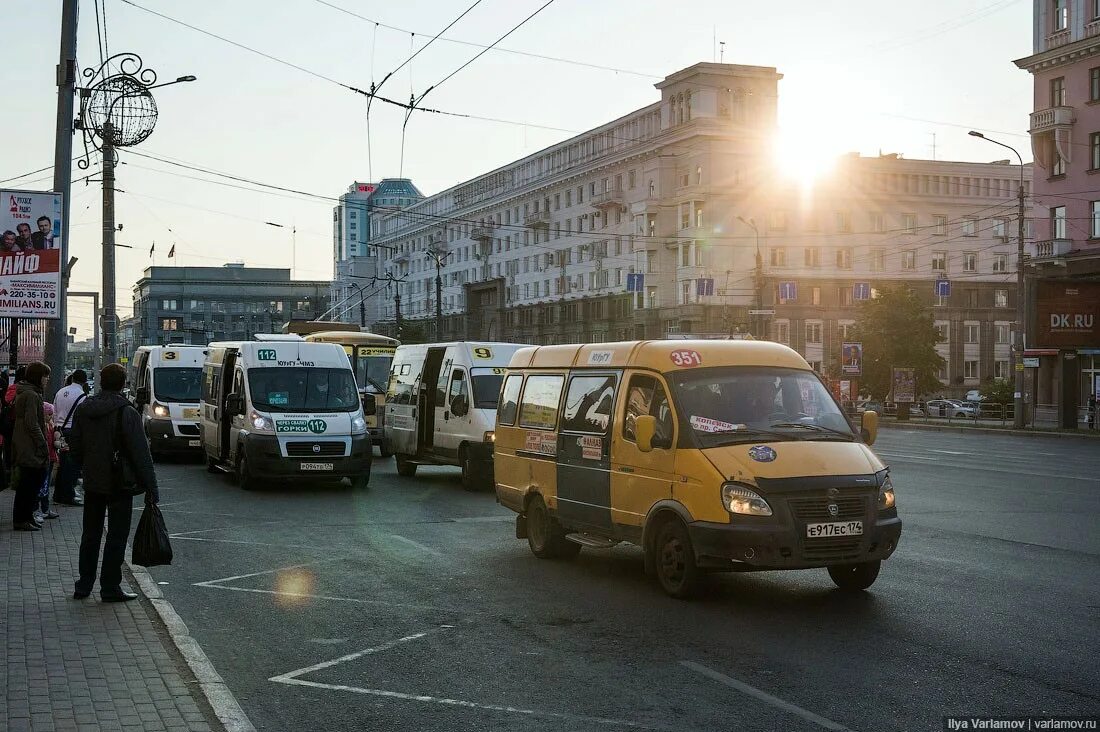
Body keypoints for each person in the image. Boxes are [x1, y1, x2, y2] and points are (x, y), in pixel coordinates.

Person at [70, 363, 159, 602]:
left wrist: (82, 469)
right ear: (122, 384)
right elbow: (141, 454)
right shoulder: (126, 412)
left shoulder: (84, 408)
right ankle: (110, 587)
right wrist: (152, 488)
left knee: (90, 534)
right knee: (117, 537)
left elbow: (75, 445)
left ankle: (83, 584)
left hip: (92, 481)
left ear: (101, 382)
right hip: (120, 483)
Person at [11, 362, 51, 531]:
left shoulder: (26, 392)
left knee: (29, 482)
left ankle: (26, 517)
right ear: (38, 377)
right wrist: (42, 443)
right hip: (30, 445)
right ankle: (22, 519)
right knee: (29, 483)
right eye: (45, 376)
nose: (47, 379)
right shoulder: (31, 395)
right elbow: (32, 423)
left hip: (24, 442)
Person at [52, 369, 89, 506]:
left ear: (72, 378)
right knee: (72, 465)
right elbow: (83, 418)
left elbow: (55, 411)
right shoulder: (82, 396)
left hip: (59, 431)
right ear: (84, 381)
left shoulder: (60, 392)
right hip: (73, 432)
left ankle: (58, 494)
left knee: (62, 463)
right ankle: (68, 495)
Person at [35, 402, 60, 521]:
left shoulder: (51, 426)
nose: (50, 416)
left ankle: (44, 509)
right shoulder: (42, 427)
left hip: (50, 458)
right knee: (41, 485)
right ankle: (38, 510)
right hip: (45, 459)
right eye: (48, 414)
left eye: (51, 414)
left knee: (46, 486)